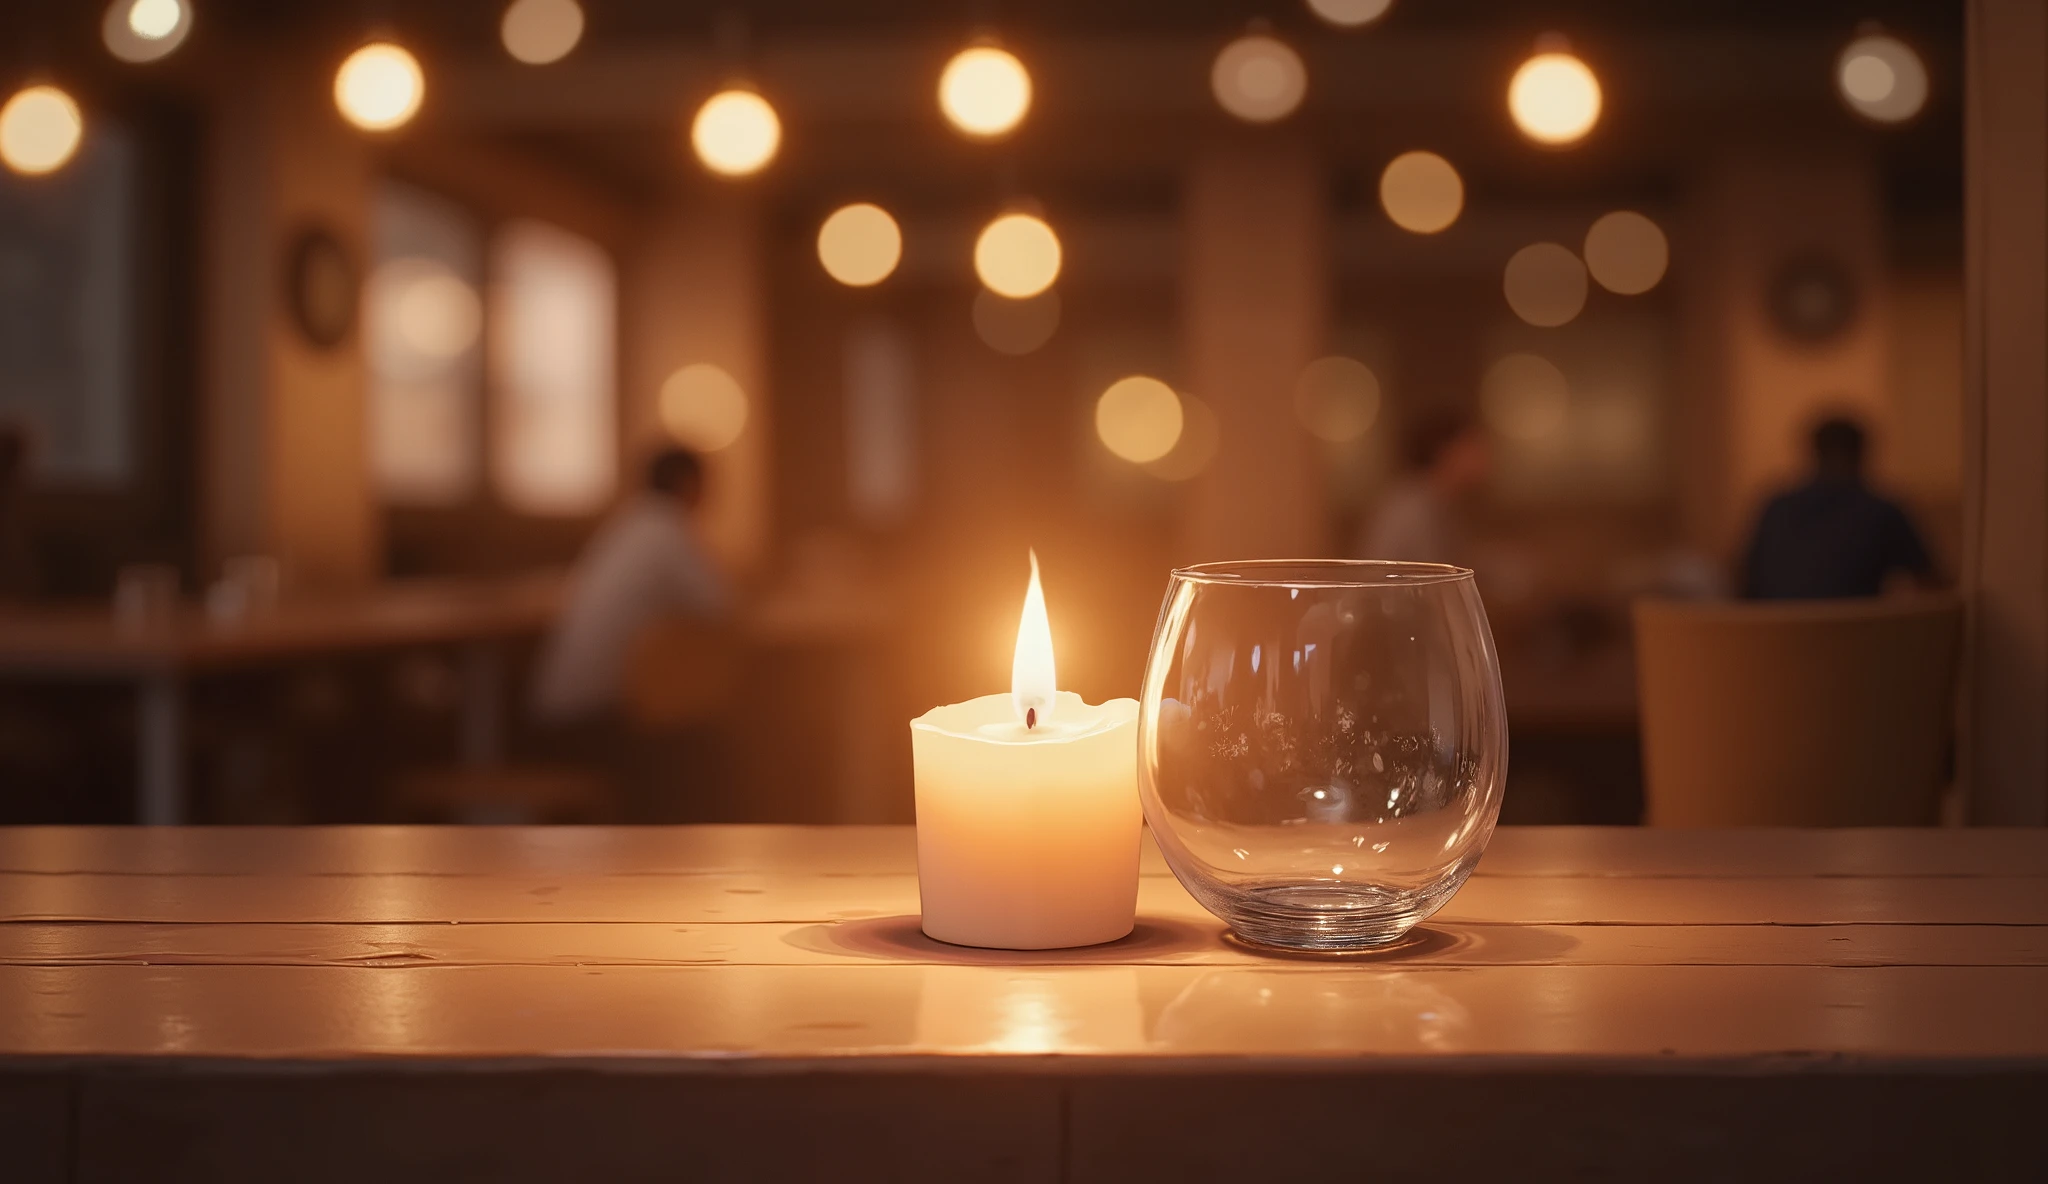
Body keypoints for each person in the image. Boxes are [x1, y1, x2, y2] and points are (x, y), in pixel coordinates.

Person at [531, 447, 728, 722]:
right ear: (689, 483)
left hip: (563, 706)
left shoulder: (631, 523)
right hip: (592, 715)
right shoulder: (668, 530)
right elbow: (721, 608)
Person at [1740, 416, 1935, 600]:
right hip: (1851, 632)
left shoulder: (1776, 506)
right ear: (1862, 455)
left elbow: (1744, 579)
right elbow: (1930, 579)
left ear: (1814, 453)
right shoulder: (1881, 510)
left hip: (1777, 631)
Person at [1357, 408, 1491, 565]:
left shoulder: (1445, 504)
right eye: (1473, 444)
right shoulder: (1408, 508)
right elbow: (1376, 573)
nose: (1485, 455)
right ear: (1446, 451)